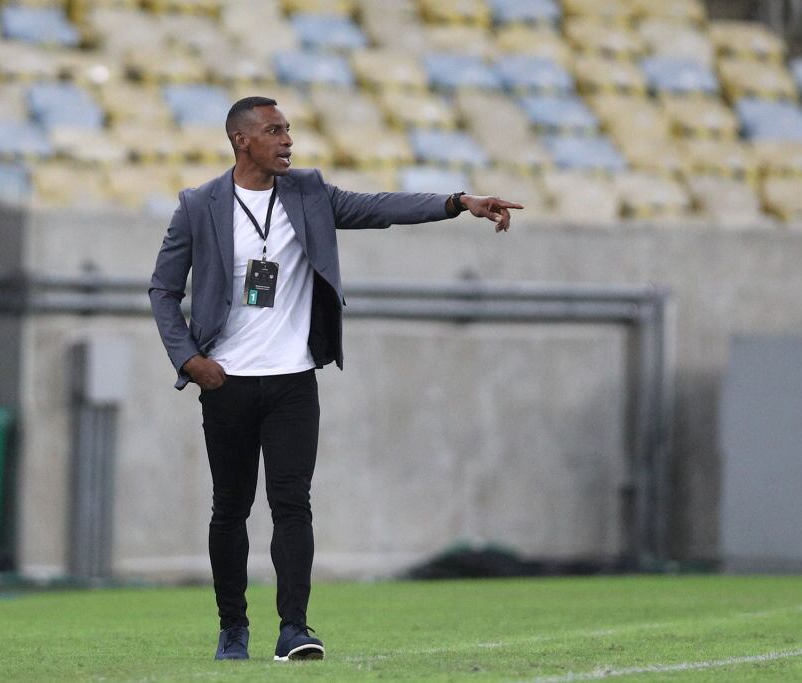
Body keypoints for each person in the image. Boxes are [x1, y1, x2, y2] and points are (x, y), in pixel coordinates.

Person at [148, 96, 523, 662]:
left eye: (289, 131)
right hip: (227, 383)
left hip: (294, 381)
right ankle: (232, 629)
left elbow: (382, 206)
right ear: (241, 140)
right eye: (275, 131)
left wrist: (459, 202)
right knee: (230, 508)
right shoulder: (199, 205)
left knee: (292, 504)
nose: (288, 141)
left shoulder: (309, 193)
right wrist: (189, 359)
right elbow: (162, 289)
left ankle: (294, 629)